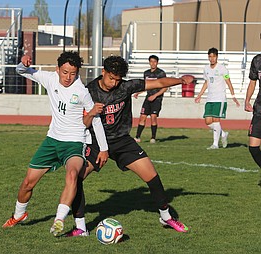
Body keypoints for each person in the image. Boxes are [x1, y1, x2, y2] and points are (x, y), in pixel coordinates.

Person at [65, 55, 194, 238]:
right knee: (76, 178)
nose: (114, 83)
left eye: (118, 80)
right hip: (95, 142)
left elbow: (158, 83)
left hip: (122, 141)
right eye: (111, 78)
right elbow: (82, 123)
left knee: (152, 175)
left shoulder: (126, 87)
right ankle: (80, 227)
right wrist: (93, 112)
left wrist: (180, 80)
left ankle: (165, 217)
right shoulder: (89, 91)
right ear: (103, 72)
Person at [2, 51, 109, 237]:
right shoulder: (50, 79)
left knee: (73, 174)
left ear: (78, 73)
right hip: (51, 141)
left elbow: (96, 119)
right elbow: (21, 71)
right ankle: (19, 215)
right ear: (57, 69)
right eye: (65, 72)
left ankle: (59, 220)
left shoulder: (82, 91)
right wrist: (22, 63)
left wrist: (104, 149)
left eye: (73, 73)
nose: (68, 77)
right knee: (28, 183)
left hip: (74, 142)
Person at [195, 47, 240, 149]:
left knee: (216, 120)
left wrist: (233, 96)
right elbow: (206, 82)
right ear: (208, 57)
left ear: (217, 57)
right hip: (209, 98)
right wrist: (199, 95)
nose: (212, 59)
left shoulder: (222, 69)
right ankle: (223, 134)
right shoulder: (206, 69)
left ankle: (215, 144)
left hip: (219, 98)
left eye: (214, 56)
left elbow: (228, 82)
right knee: (207, 121)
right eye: (210, 56)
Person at [134, 55, 167, 143]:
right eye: (151, 61)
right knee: (142, 117)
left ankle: (153, 138)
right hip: (148, 98)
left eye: (154, 61)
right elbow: (146, 86)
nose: (153, 63)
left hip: (157, 99)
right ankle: (137, 137)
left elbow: (165, 87)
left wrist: (155, 95)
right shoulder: (146, 73)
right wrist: (139, 92)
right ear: (149, 62)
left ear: (157, 62)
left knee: (153, 117)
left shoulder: (161, 73)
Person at [244, 53, 261, 186]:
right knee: (253, 147)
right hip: (259, 110)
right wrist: (247, 100)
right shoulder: (257, 60)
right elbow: (252, 82)